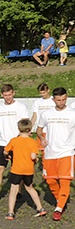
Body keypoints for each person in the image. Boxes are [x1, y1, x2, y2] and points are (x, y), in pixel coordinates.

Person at [0, 84, 29, 203]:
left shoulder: (21, 107)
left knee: (17, 169)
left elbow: (25, 125)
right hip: (2, 142)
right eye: (5, 95)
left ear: (13, 93)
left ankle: (18, 192)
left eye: (9, 95)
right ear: (1, 95)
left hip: (17, 142)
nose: (8, 97)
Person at [36, 87, 75, 221]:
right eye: (58, 100)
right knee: (50, 180)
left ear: (67, 98)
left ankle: (58, 209)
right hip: (50, 152)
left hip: (67, 151)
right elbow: (39, 130)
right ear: (53, 100)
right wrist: (42, 139)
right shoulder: (46, 114)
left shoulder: (72, 113)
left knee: (64, 180)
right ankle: (61, 201)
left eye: (64, 99)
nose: (61, 102)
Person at [3, 119, 46, 219]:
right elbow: (33, 157)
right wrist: (35, 160)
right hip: (28, 170)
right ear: (30, 129)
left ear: (18, 128)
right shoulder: (32, 142)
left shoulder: (14, 140)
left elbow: (5, 151)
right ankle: (40, 208)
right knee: (30, 188)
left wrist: (8, 156)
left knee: (13, 189)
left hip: (16, 169)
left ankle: (10, 212)